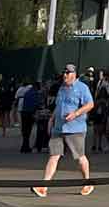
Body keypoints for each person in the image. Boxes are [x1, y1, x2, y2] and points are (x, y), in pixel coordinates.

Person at [32, 62, 94, 198]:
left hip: (75, 128)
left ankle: (87, 182)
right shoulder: (61, 88)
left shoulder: (82, 88)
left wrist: (75, 114)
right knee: (54, 155)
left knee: (80, 157)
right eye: (64, 72)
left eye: (68, 72)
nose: (65, 75)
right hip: (59, 128)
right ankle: (44, 186)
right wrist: (51, 119)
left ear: (74, 74)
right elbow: (58, 106)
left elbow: (90, 104)